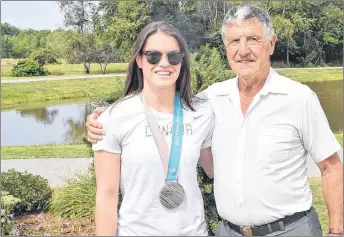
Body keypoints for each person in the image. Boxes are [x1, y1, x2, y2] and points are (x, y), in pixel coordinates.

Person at [87, 4, 343, 236]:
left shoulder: (298, 98)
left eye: (253, 39)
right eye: (234, 41)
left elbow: (331, 167)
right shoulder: (212, 99)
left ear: (271, 43)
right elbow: (108, 195)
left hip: (290, 230)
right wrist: (99, 119)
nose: (244, 50)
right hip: (229, 232)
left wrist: (336, 231)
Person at [91, 21, 215, 236]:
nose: (164, 63)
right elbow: (106, 196)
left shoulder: (202, 113)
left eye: (173, 56)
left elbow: (214, 170)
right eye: (153, 56)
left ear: (182, 61)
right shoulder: (114, 118)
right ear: (139, 60)